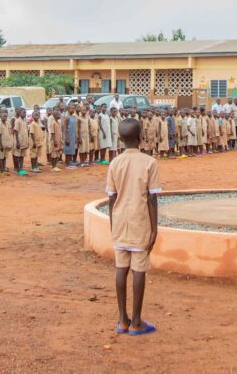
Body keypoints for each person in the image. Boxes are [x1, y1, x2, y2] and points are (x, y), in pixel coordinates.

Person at [106, 117, 161, 337]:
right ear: (141, 137)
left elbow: (111, 197)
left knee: (121, 268)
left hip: (120, 220)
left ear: (120, 138)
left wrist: (112, 223)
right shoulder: (149, 162)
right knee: (139, 268)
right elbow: (152, 198)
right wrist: (154, 228)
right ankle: (137, 321)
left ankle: (122, 320)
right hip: (140, 221)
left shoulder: (114, 163)